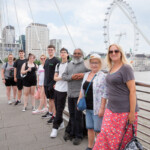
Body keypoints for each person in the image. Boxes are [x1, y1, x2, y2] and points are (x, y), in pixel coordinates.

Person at [93, 44, 139, 150]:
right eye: (111, 52)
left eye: (116, 51)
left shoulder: (126, 68)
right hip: (111, 109)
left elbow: (132, 91)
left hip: (124, 111)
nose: (113, 53)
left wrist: (132, 113)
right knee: (105, 135)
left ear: (121, 52)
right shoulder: (112, 67)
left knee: (120, 141)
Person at [77, 54, 107, 150]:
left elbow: (104, 94)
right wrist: (79, 101)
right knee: (89, 128)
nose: (94, 65)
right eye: (92, 63)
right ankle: (90, 147)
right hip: (87, 107)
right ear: (90, 64)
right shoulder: (86, 75)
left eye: (96, 62)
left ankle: (99, 148)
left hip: (97, 108)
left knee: (98, 130)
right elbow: (82, 89)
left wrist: (102, 108)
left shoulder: (102, 76)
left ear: (100, 64)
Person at [62, 48, 89, 145]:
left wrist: (83, 75)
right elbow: (64, 76)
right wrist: (72, 77)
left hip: (80, 95)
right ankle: (72, 133)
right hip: (70, 94)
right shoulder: (69, 64)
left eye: (78, 53)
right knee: (72, 114)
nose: (76, 55)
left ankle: (79, 135)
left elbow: (93, 73)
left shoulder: (86, 65)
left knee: (78, 116)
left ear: (82, 55)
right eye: (75, 53)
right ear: (72, 55)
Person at [50, 48, 69, 138]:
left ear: (67, 54)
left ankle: (55, 127)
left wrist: (60, 77)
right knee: (57, 108)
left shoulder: (70, 65)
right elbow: (55, 78)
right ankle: (61, 123)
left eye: (64, 52)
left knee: (60, 109)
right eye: (61, 52)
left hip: (64, 90)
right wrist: (63, 77)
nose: (63, 54)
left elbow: (70, 77)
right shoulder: (58, 65)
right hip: (57, 88)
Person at [42, 45, 60, 124]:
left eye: (51, 50)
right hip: (46, 83)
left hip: (52, 83)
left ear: (54, 50)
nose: (50, 51)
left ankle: (54, 115)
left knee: (53, 99)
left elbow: (59, 73)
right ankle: (49, 113)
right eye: (49, 50)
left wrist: (55, 83)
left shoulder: (56, 60)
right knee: (50, 99)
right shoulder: (46, 60)